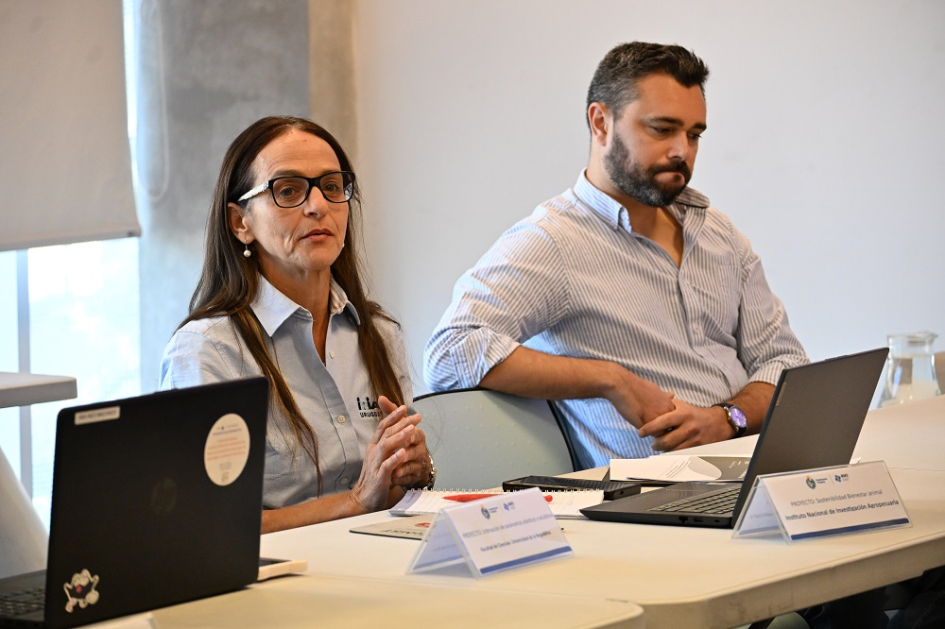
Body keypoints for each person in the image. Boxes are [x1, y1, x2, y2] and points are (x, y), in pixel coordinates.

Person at [424, 42, 809, 469]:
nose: (682, 150)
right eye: (662, 129)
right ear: (601, 122)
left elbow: (784, 362)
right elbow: (450, 352)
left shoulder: (719, 235)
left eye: (694, 134)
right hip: (658, 494)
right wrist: (610, 380)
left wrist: (727, 419)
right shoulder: (554, 241)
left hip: (758, 469)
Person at [161, 115, 433, 533]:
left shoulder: (379, 332)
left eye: (332, 187)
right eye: (287, 190)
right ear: (240, 223)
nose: (318, 206)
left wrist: (416, 471)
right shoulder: (208, 350)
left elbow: (394, 494)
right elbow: (205, 526)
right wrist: (356, 502)